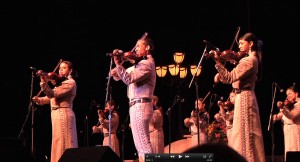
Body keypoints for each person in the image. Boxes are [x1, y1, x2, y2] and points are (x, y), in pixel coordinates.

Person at [210, 32, 265, 162]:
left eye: (241, 43)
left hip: (245, 98)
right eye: (239, 43)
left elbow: (229, 77)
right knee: (241, 134)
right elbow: (229, 79)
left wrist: (218, 62)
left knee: (246, 135)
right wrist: (223, 69)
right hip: (242, 97)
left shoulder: (249, 60)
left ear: (250, 44)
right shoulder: (246, 60)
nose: (239, 46)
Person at [110, 37, 156, 162]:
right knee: (141, 146)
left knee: (144, 145)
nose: (135, 49)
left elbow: (128, 79)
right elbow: (115, 75)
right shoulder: (138, 65)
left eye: (138, 46)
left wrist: (119, 64)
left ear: (147, 48)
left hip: (141, 105)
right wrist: (119, 62)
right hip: (136, 106)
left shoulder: (146, 64)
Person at [32, 60, 78, 162]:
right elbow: (52, 98)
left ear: (70, 71)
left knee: (64, 142)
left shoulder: (70, 83)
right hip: (57, 114)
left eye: (64, 68)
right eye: (60, 68)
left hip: (64, 114)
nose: (60, 70)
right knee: (57, 142)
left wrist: (43, 82)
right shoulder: (59, 83)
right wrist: (39, 100)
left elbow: (52, 94)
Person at [273, 83, 300, 161]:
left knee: (295, 149)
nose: (288, 96)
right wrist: (276, 116)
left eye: (290, 93)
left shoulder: (299, 104)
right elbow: (282, 114)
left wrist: (282, 108)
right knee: (288, 150)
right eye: (287, 94)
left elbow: (291, 116)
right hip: (288, 131)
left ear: (296, 93)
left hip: (295, 130)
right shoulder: (290, 105)